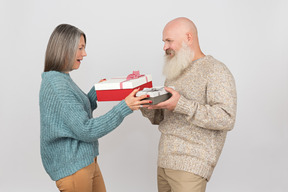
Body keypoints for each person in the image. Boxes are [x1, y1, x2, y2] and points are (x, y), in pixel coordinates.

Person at [39, 24, 150, 192]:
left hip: (84, 162)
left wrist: (96, 93)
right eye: (80, 48)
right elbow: (86, 130)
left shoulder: (61, 78)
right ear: (65, 48)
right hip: (74, 168)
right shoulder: (57, 84)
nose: (84, 54)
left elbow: (72, 115)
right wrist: (124, 107)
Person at [140, 17, 237, 192]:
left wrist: (181, 104)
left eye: (169, 41)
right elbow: (164, 118)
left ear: (188, 38)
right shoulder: (176, 69)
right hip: (164, 161)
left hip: (191, 165)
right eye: (164, 42)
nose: (164, 47)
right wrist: (144, 103)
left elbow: (226, 118)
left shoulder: (216, 70)